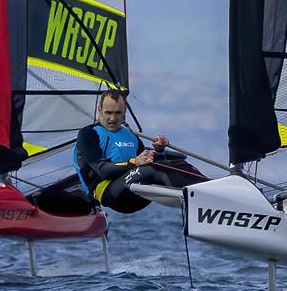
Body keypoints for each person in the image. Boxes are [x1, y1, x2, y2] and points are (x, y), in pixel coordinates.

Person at [73, 89, 204, 214]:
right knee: (152, 169)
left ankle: (211, 188)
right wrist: (134, 162)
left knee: (178, 164)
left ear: (124, 112)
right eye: (108, 113)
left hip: (137, 192)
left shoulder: (130, 135)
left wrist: (158, 151)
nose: (113, 118)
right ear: (99, 110)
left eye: (118, 113)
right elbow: (102, 170)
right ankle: (198, 200)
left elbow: (146, 160)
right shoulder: (89, 134)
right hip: (110, 193)